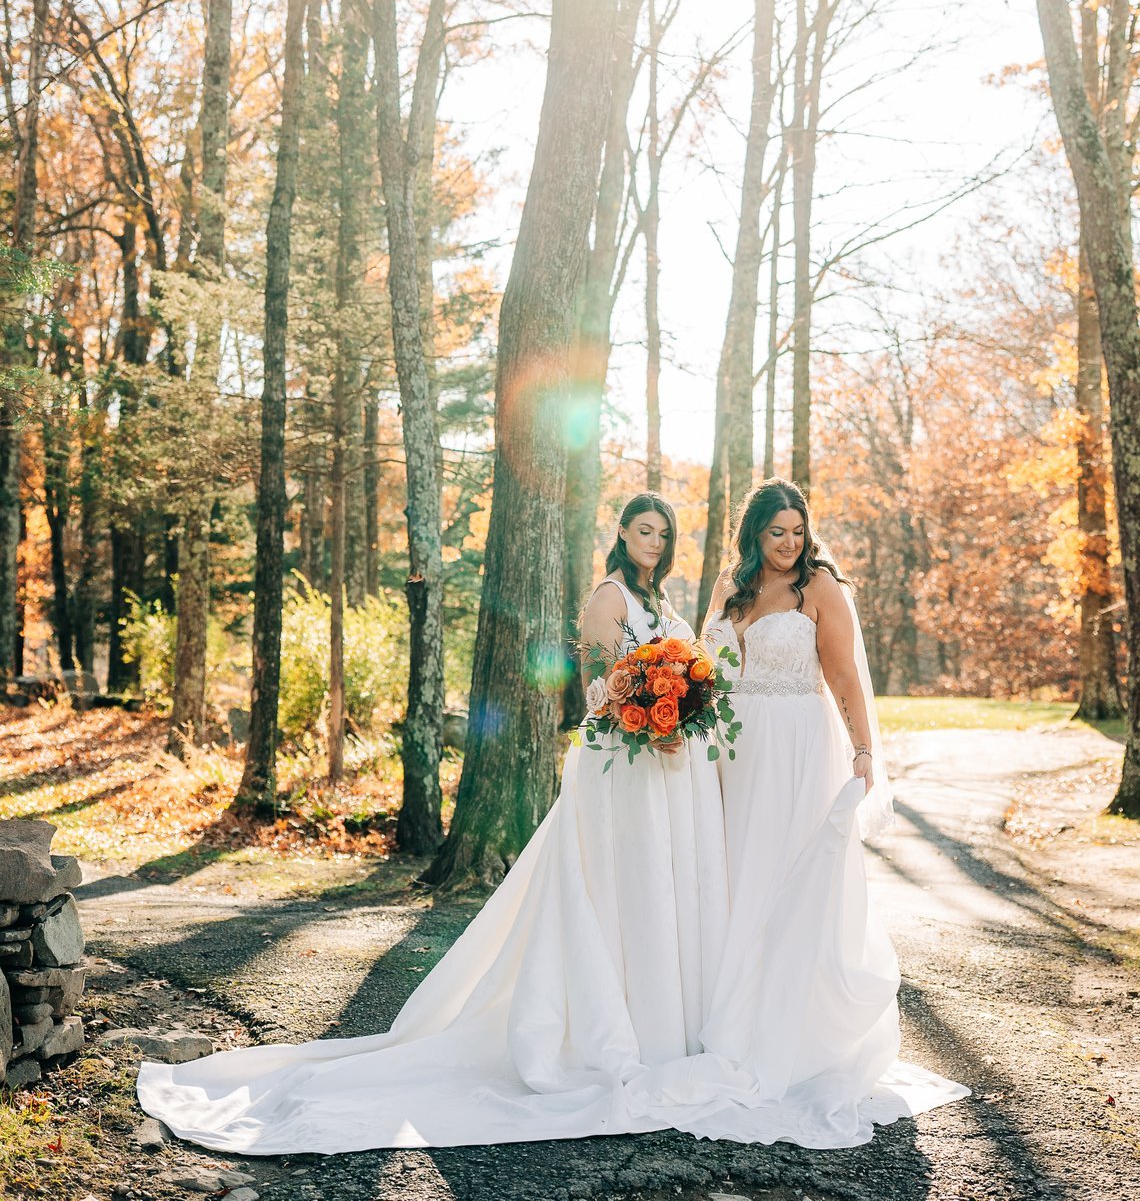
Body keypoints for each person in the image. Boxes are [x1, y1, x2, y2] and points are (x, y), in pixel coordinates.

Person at [136, 492, 727, 1153]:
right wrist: (644, 710)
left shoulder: (664, 600)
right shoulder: (608, 596)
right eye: (643, 529)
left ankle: (657, 1019)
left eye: (663, 532)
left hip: (660, 769)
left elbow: (677, 669)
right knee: (614, 893)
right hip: (618, 766)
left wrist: (682, 710)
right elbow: (602, 688)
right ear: (622, 532)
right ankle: (604, 1029)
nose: (654, 540)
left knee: (652, 895)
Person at [696, 477, 969, 1147]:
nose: (787, 544)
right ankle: (721, 1010)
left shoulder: (819, 588)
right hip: (731, 747)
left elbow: (843, 674)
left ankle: (788, 1029)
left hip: (796, 744)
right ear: (753, 535)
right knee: (732, 870)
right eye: (774, 533)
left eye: (795, 530)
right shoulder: (729, 586)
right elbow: (705, 666)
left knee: (788, 872)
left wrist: (863, 750)